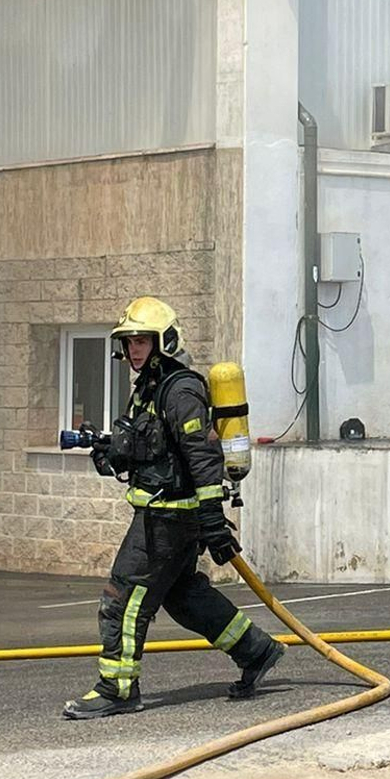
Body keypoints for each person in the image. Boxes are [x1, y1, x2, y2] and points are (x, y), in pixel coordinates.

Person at [62, 296, 284, 720]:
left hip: (169, 520)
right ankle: (256, 650)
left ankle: (118, 688)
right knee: (183, 597)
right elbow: (153, 450)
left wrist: (213, 520)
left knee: (121, 599)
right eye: (129, 343)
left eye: (142, 341)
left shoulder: (180, 389)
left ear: (164, 340)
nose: (134, 351)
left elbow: (200, 456)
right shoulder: (148, 388)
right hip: (164, 515)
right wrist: (111, 453)